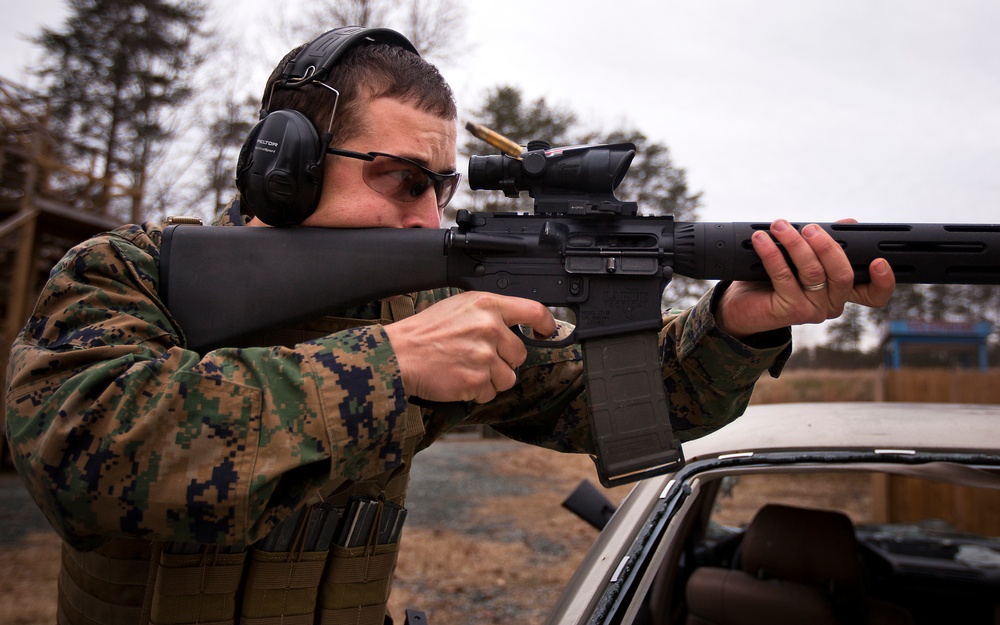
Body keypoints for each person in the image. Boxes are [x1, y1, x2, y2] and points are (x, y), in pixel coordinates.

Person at [3, 27, 895, 625]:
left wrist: (738, 322)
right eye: (400, 178)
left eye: (445, 187)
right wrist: (391, 368)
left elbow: (621, 401)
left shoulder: (421, 300)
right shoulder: (133, 273)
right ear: (286, 164)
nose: (432, 219)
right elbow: (79, 449)